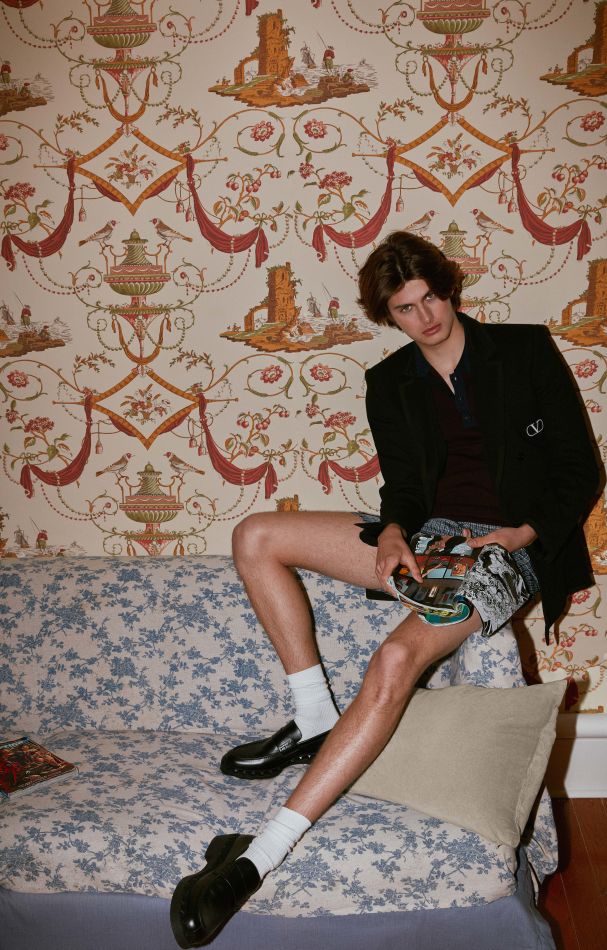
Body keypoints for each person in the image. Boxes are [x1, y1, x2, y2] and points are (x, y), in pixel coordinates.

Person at [170, 231, 602, 947]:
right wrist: (396, 533)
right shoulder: (390, 381)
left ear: (448, 290)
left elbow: (579, 469)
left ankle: (256, 859)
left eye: (431, 298)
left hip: (504, 547)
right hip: (429, 533)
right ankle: (314, 717)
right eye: (405, 308)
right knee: (255, 536)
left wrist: (523, 534)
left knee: (395, 659)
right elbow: (402, 485)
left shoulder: (523, 350)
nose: (425, 318)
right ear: (388, 314)